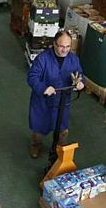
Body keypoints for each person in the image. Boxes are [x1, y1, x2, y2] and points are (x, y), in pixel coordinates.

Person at [26, 30, 85, 159]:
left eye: (68, 47)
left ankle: (59, 149)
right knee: (39, 128)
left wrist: (80, 82)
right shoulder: (43, 59)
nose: (65, 50)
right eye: (61, 46)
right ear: (54, 44)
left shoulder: (73, 59)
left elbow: (79, 74)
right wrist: (43, 87)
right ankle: (36, 145)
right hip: (43, 101)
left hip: (62, 102)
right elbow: (32, 77)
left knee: (63, 130)